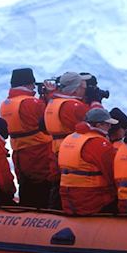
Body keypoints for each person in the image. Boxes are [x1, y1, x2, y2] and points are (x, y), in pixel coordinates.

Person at [43, 71, 102, 208]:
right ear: (75, 89)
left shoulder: (53, 102)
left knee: (57, 185)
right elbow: (96, 121)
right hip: (72, 153)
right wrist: (96, 102)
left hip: (56, 150)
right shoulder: (72, 106)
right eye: (82, 87)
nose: (85, 90)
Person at [0, 68, 54, 208]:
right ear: (30, 83)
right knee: (43, 193)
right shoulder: (31, 103)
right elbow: (50, 119)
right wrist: (51, 96)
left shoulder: (6, 104)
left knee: (27, 191)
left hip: (19, 154)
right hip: (40, 154)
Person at [58, 107, 118, 215]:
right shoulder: (98, 143)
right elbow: (112, 172)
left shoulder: (69, 138)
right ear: (98, 125)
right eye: (107, 124)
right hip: (93, 199)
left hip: (68, 198)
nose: (110, 127)